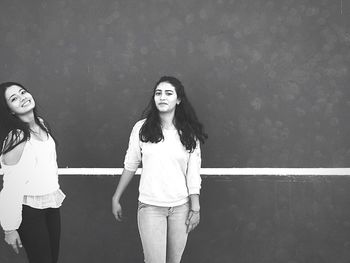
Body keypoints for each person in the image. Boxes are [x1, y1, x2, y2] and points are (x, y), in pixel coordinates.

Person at [112, 76, 207, 263]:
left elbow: (193, 173)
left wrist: (195, 207)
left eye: (168, 93)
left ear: (178, 99)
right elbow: (130, 164)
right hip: (150, 208)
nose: (162, 97)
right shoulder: (142, 129)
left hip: (181, 208)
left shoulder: (189, 133)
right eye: (158, 93)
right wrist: (116, 197)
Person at [0, 82, 65, 263]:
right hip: (29, 211)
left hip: (51, 205)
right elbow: (10, 187)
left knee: (52, 259)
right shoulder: (17, 136)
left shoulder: (42, 125)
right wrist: (9, 228)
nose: (22, 98)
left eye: (23, 92)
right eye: (14, 99)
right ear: (10, 110)